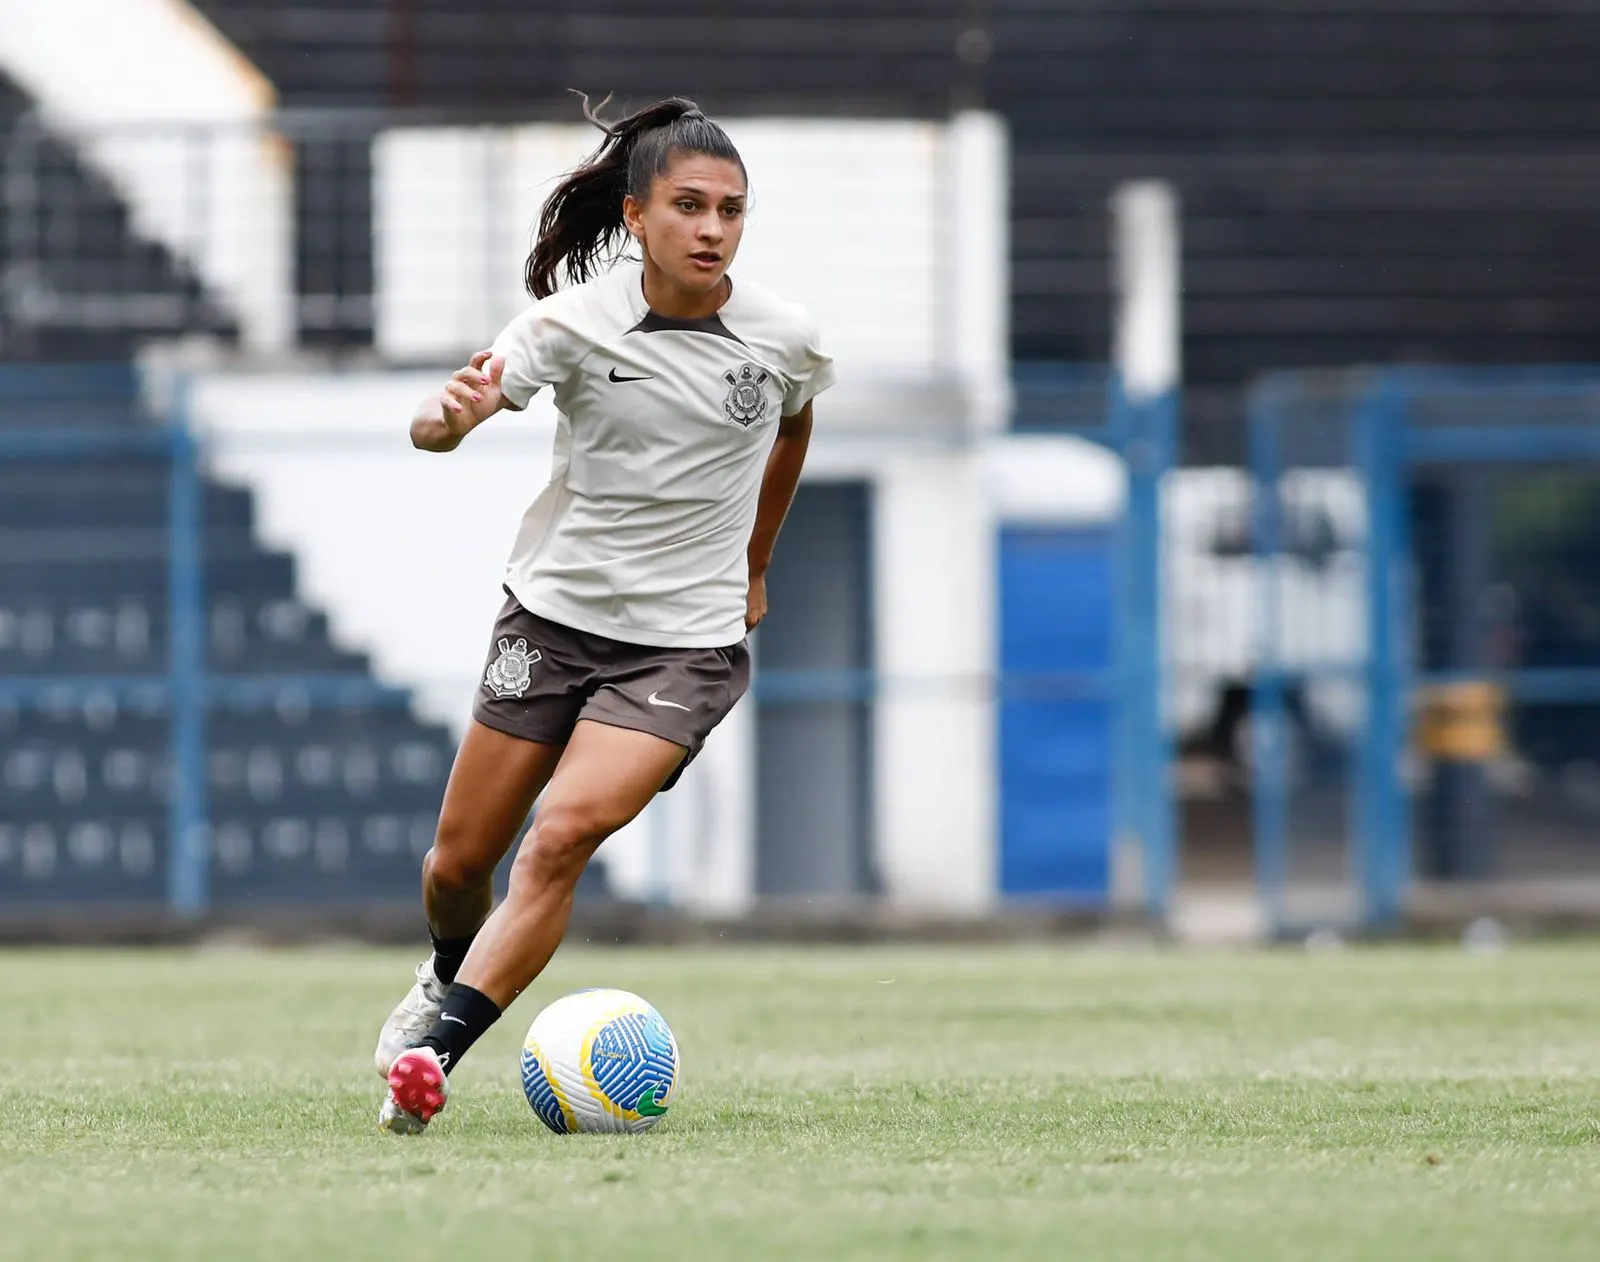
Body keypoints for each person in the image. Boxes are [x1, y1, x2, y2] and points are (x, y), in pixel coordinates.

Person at [374, 95, 834, 1133]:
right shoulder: (567, 326)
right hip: (549, 623)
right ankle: (448, 969)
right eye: (688, 206)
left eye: (730, 210)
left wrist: (754, 561)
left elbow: (794, 428)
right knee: (457, 866)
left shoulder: (782, 338)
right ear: (635, 217)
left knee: (562, 836)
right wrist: (441, 419)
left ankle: (433, 1061)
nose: (712, 228)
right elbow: (447, 418)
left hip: (684, 642)